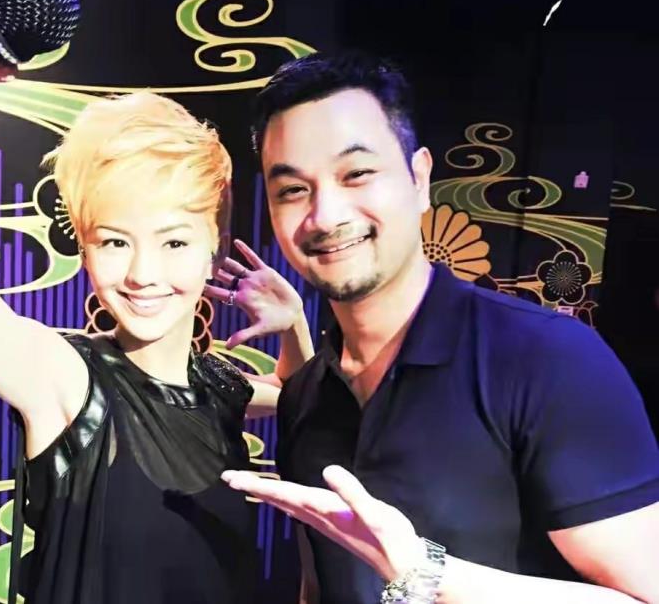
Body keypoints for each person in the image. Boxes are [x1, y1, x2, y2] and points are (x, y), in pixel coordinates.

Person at [222, 51, 659, 603]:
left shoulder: (548, 359)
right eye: (292, 190)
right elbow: (319, 584)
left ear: (419, 178)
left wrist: (425, 572)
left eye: (356, 174)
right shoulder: (305, 395)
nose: (326, 215)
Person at [0, 91, 311, 603]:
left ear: (213, 246)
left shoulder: (216, 385)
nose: (143, 275)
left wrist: (294, 324)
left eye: (174, 242)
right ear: (85, 248)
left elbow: (298, 397)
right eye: (115, 242)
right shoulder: (69, 378)